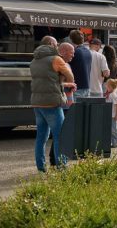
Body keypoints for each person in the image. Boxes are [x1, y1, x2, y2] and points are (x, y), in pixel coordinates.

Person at [31, 41, 75, 172]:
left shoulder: (34, 60)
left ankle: (41, 167)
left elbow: (47, 81)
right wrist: (62, 79)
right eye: (56, 43)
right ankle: (62, 167)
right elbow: (71, 77)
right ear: (51, 44)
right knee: (60, 136)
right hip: (52, 103)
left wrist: (59, 82)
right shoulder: (56, 59)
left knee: (41, 137)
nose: (57, 45)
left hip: (37, 103)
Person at [68, 30, 92, 98]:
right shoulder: (88, 51)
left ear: (71, 40)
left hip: (77, 87)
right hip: (87, 86)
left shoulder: (75, 52)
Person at [106, 78, 117, 148]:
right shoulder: (109, 94)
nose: (107, 87)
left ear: (112, 87)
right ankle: (112, 142)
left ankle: (116, 143)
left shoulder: (114, 95)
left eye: (108, 86)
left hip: (113, 116)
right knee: (110, 130)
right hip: (110, 115)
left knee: (114, 130)